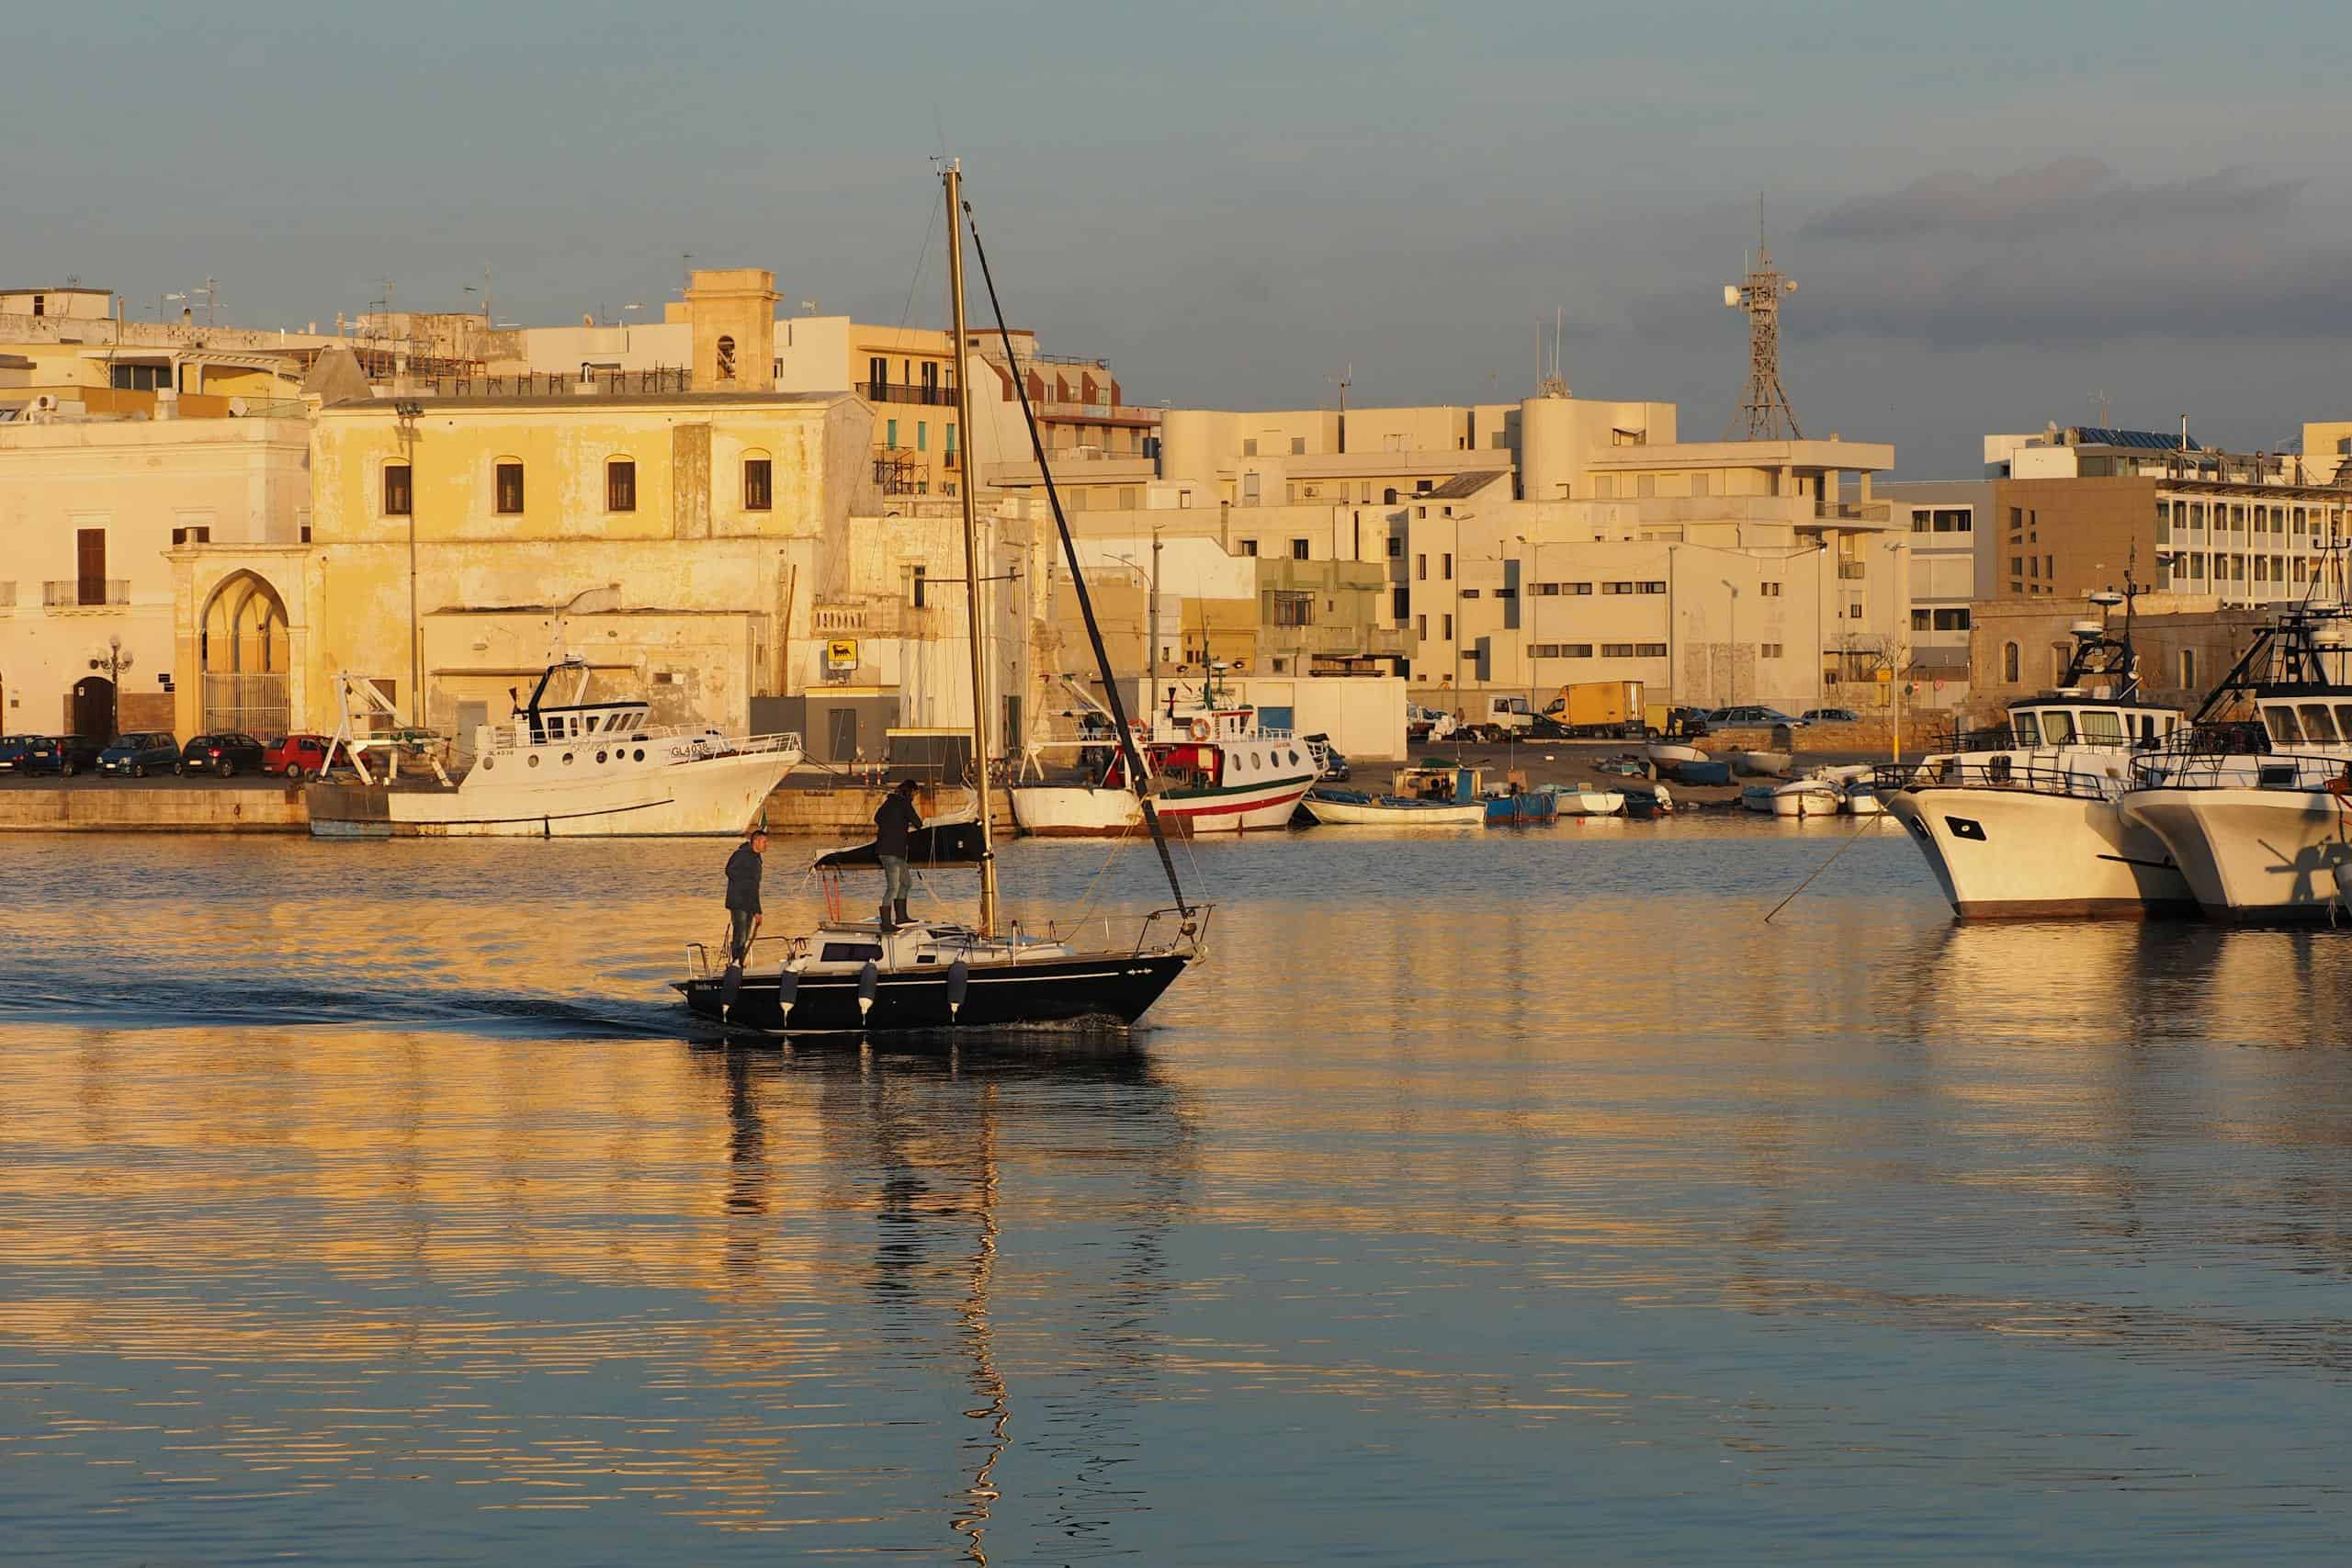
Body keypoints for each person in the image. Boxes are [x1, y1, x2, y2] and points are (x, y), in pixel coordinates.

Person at [874, 778, 922, 931]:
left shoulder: (889, 802)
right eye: (915, 793)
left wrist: (894, 824)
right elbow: (918, 823)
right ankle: (886, 924)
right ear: (910, 791)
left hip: (894, 851)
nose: (915, 796)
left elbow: (877, 818)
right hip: (890, 852)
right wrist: (902, 824)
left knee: (906, 882)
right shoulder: (905, 804)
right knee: (892, 887)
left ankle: (901, 917)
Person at [723, 827, 766, 963]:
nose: (767, 845)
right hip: (738, 902)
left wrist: (757, 911)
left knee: (745, 935)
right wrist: (745, 880)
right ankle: (735, 962)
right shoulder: (741, 854)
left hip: (749, 903)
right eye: (765, 842)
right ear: (756, 842)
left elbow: (755, 887)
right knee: (740, 934)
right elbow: (729, 870)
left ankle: (739, 962)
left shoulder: (757, 858)